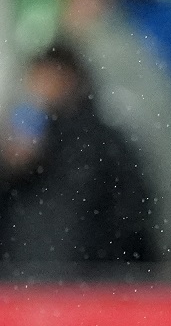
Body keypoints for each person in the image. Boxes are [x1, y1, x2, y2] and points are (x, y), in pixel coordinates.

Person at [0, 44, 152, 277]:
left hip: (84, 286)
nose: (39, 90)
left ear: (71, 81)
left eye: (48, 79)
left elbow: (130, 217)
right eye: (35, 80)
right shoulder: (23, 143)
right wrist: (14, 167)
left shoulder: (102, 143)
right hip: (25, 282)